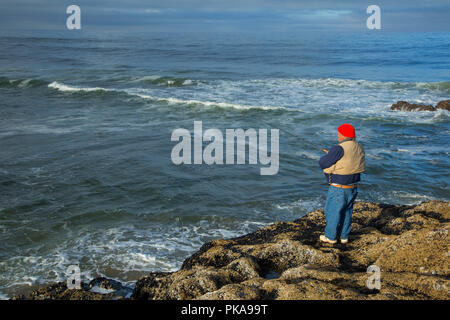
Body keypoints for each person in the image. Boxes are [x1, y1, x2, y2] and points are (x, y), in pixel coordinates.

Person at [318, 124, 365, 244]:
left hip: (339, 187)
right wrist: (332, 154)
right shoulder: (359, 147)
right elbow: (348, 159)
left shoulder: (338, 148)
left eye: (339, 133)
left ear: (343, 135)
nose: (338, 135)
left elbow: (323, 163)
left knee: (332, 211)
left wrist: (329, 155)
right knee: (347, 212)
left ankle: (330, 237)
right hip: (353, 186)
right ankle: (344, 237)